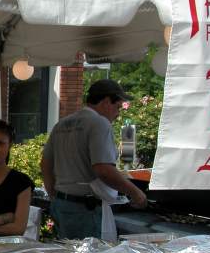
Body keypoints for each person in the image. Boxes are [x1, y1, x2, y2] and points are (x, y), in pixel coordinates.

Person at [41, 79, 147, 240]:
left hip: (62, 204)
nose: (118, 114)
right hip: (86, 209)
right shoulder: (99, 123)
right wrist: (136, 193)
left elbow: (45, 165)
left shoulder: (61, 124)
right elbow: (103, 169)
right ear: (105, 102)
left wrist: (55, 197)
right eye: (117, 107)